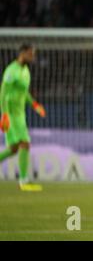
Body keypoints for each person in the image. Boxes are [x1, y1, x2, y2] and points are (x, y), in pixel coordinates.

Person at [0, 43, 46, 191]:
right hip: (11, 113)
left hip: (20, 114)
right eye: (31, 54)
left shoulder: (26, 71)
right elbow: (3, 93)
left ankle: (24, 180)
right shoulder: (11, 71)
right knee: (25, 143)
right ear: (23, 53)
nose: (33, 57)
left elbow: (24, 92)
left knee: (14, 149)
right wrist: (4, 115)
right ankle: (24, 181)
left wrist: (34, 104)